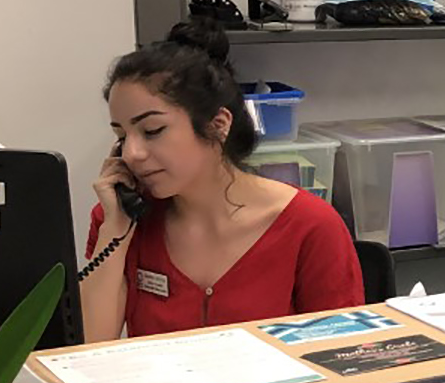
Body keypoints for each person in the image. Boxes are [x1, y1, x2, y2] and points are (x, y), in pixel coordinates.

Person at [82, 21, 361, 341]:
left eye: (152, 131)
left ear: (218, 124)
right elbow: (88, 350)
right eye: (121, 136)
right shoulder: (118, 222)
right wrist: (115, 230)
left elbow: (341, 359)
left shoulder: (309, 225)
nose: (132, 154)